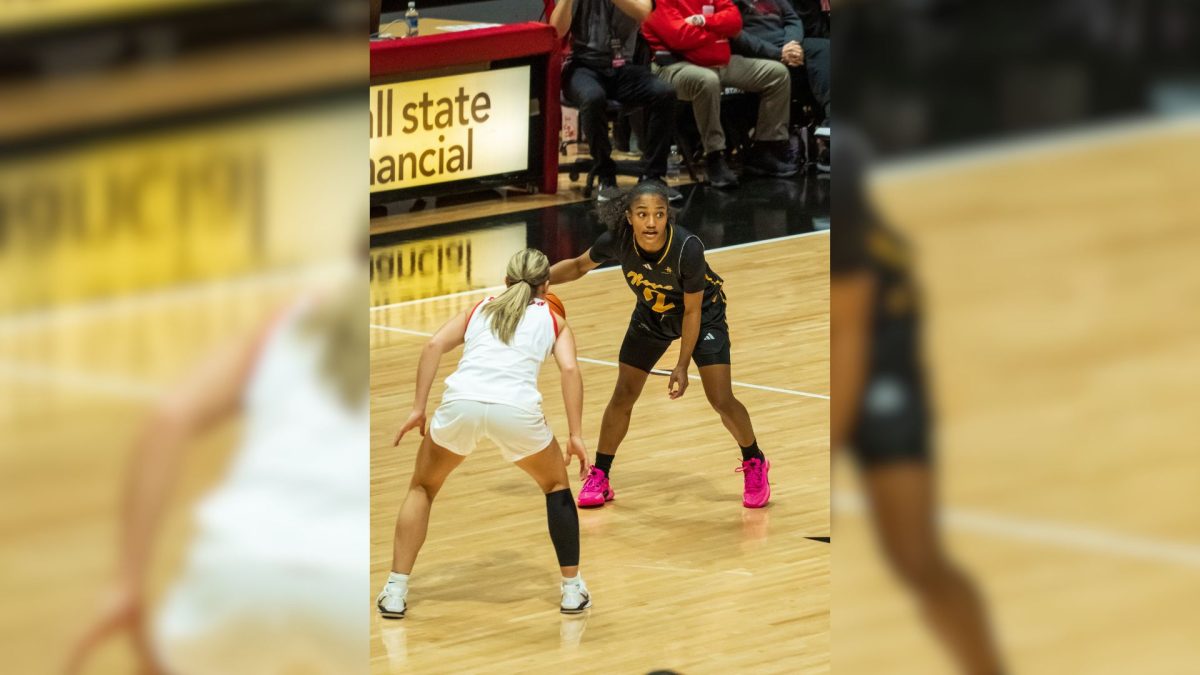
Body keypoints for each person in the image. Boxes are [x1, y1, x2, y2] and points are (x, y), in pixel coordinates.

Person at [66, 274, 369, 675]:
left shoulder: (291, 318)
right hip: (353, 571)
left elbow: (168, 417)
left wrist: (127, 582)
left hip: (240, 558)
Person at [831, 129, 1004, 674]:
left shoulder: (855, 249)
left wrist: (827, 451)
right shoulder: (871, 231)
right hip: (885, 382)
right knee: (917, 562)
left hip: (885, 393)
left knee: (916, 557)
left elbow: (849, 346)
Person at [378, 248, 593, 619]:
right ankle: (572, 591)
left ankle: (395, 591)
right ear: (546, 285)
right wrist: (575, 433)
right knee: (556, 486)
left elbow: (433, 345)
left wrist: (418, 408)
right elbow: (570, 370)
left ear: (506, 280)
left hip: (461, 404)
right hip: (517, 411)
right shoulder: (554, 319)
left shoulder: (479, 308)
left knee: (423, 487)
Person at [548, 180, 772, 509]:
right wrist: (536, 281)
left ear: (668, 216)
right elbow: (580, 265)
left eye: (659, 214)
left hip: (703, 315)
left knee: (721, 398)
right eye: (642, 214)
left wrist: (682, 365)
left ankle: (755, 461)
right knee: (624, 393)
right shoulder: (618, 240)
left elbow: (692, 311)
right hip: (652, 315)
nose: (651, 222)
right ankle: (601, 475)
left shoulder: (687, 248)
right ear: (629, 217)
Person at [642, 0, 797, 188]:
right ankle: (714, 156)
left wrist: (703, 21)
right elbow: (680, 38)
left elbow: (735, 21)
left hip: (717, 60)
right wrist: (719, 32)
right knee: (707, 80)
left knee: (777, 74)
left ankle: (764, 150)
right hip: (675, 65)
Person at [550, 0, 682, 202]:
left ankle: (653, 177)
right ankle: (606, 176)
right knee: (593, 97)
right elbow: (557, 31)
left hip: (623, 68)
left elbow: (644, 12)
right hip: (583, 66)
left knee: (665, 93)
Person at [730, 0, 830, 125]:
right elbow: (738, 36)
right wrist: (778, 53)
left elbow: (792, 19)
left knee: (826, 48)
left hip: (788, 45)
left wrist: (792, 43)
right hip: (759, 51)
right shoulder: (730, 4)